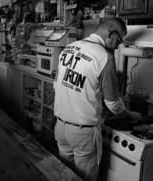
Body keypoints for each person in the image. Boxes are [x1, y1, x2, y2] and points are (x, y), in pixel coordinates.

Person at [53, 18, 142, 181]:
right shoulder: (104, 57)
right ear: (110, 33)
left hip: (60, 127)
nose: (118, 45)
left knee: (65, 176)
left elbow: (56, 85)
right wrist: (129, 114)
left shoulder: (69, 48)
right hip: (83, 133)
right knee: (84, 177)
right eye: (119, 40)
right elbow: (113, 104)